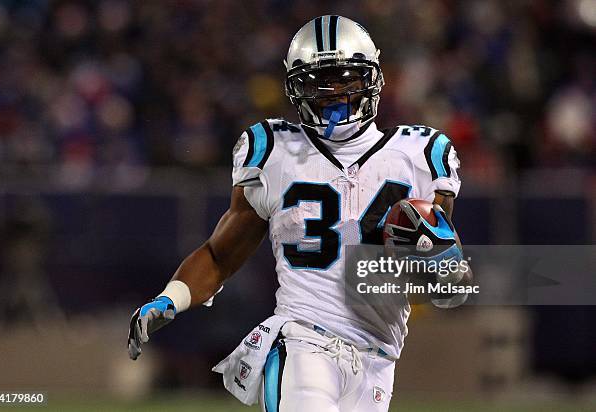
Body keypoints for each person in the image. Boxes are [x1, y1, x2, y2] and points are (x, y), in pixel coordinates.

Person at [128, 15, 468, 412]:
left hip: (378, 359)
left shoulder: (422, 156)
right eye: (317, 81)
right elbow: (221, 255)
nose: (332, 92)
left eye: (345, 78)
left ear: (371, 79)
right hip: (303, 341)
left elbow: (448, 288)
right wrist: (170, 298)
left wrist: (444, 270)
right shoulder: (275, 152)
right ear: (295, 87)